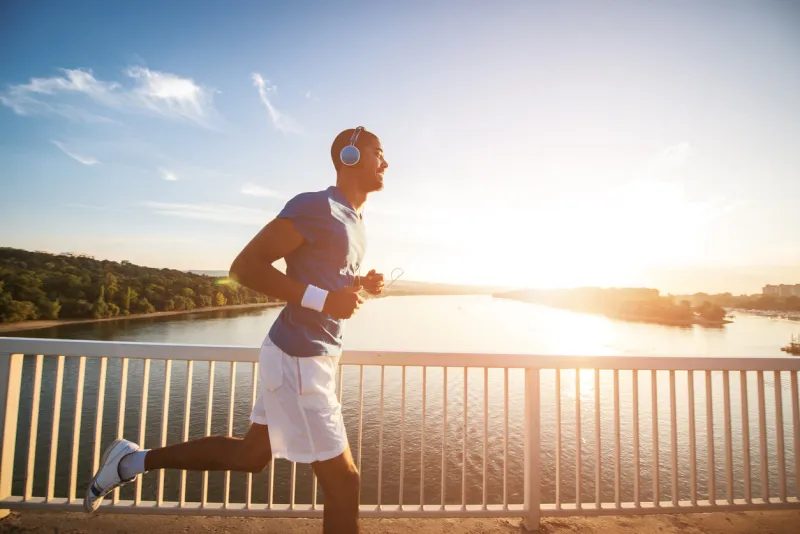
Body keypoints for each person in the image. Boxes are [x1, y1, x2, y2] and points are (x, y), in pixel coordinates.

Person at [84, 126, 389, 534]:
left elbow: (327, 286)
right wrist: (323, 300)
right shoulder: (316, 207)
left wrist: (358, 286)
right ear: (348, 158)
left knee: (251, 456)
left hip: (309, 355)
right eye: (377, 152)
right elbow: (244, 268)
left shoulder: (355, 222)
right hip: (299, 358)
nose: (385, 162)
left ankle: (130, 461)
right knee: (344, 482)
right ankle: (129, 462)